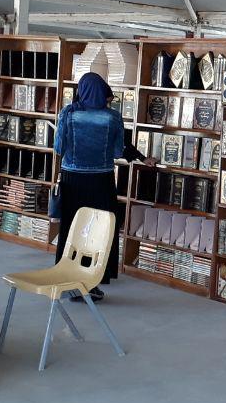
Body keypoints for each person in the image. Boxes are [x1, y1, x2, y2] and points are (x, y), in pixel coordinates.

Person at [52, 73, 153, 301]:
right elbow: (117, 151)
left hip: (72, 180)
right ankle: (91, 283)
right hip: (101, 181)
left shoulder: (68, 113)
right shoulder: (113, 117)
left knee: (72, 229)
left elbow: (59, 147)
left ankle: (67, 278)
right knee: (98, 231)